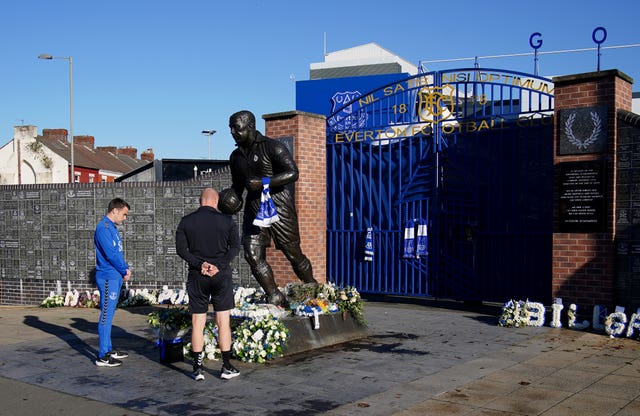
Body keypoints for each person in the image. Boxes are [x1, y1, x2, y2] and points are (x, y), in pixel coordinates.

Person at [225, 110, 317, 307]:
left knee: (292, 252)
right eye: (231, 128)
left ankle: (312, 287)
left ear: (250, 127)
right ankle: (274, 295)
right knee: (251, 253)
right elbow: (238, 186)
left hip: (278, 204)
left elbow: (293, 173)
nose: (233, 132)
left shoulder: (273, 147)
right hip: (254, 207)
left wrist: (264, 182)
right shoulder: (235, 157)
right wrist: (230, 200)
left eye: (237, 128)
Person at [175, 188, 241, 381]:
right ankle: (226, 366)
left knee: (198, 323)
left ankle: (197, 368)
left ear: (200, 200)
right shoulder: (227, 221)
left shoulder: (186, 221)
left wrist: (199, 264)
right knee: (223, 322)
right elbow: (235, 247)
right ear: (216, 201)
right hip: (221, 276)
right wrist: (218, 265)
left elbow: (181, 249)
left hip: (197, 275)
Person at [94, 197, 131, 367]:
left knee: (109, 314)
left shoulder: (112, 228)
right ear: (114, 210)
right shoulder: (103, 228)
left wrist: (124, 268)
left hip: (114, 275)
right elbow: (110, 254)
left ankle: (108, 348)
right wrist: (124, 269)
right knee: (106, 315)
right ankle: (102, 355)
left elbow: (117, 252)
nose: (125, 218)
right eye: (124, 214)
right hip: (108, 276)